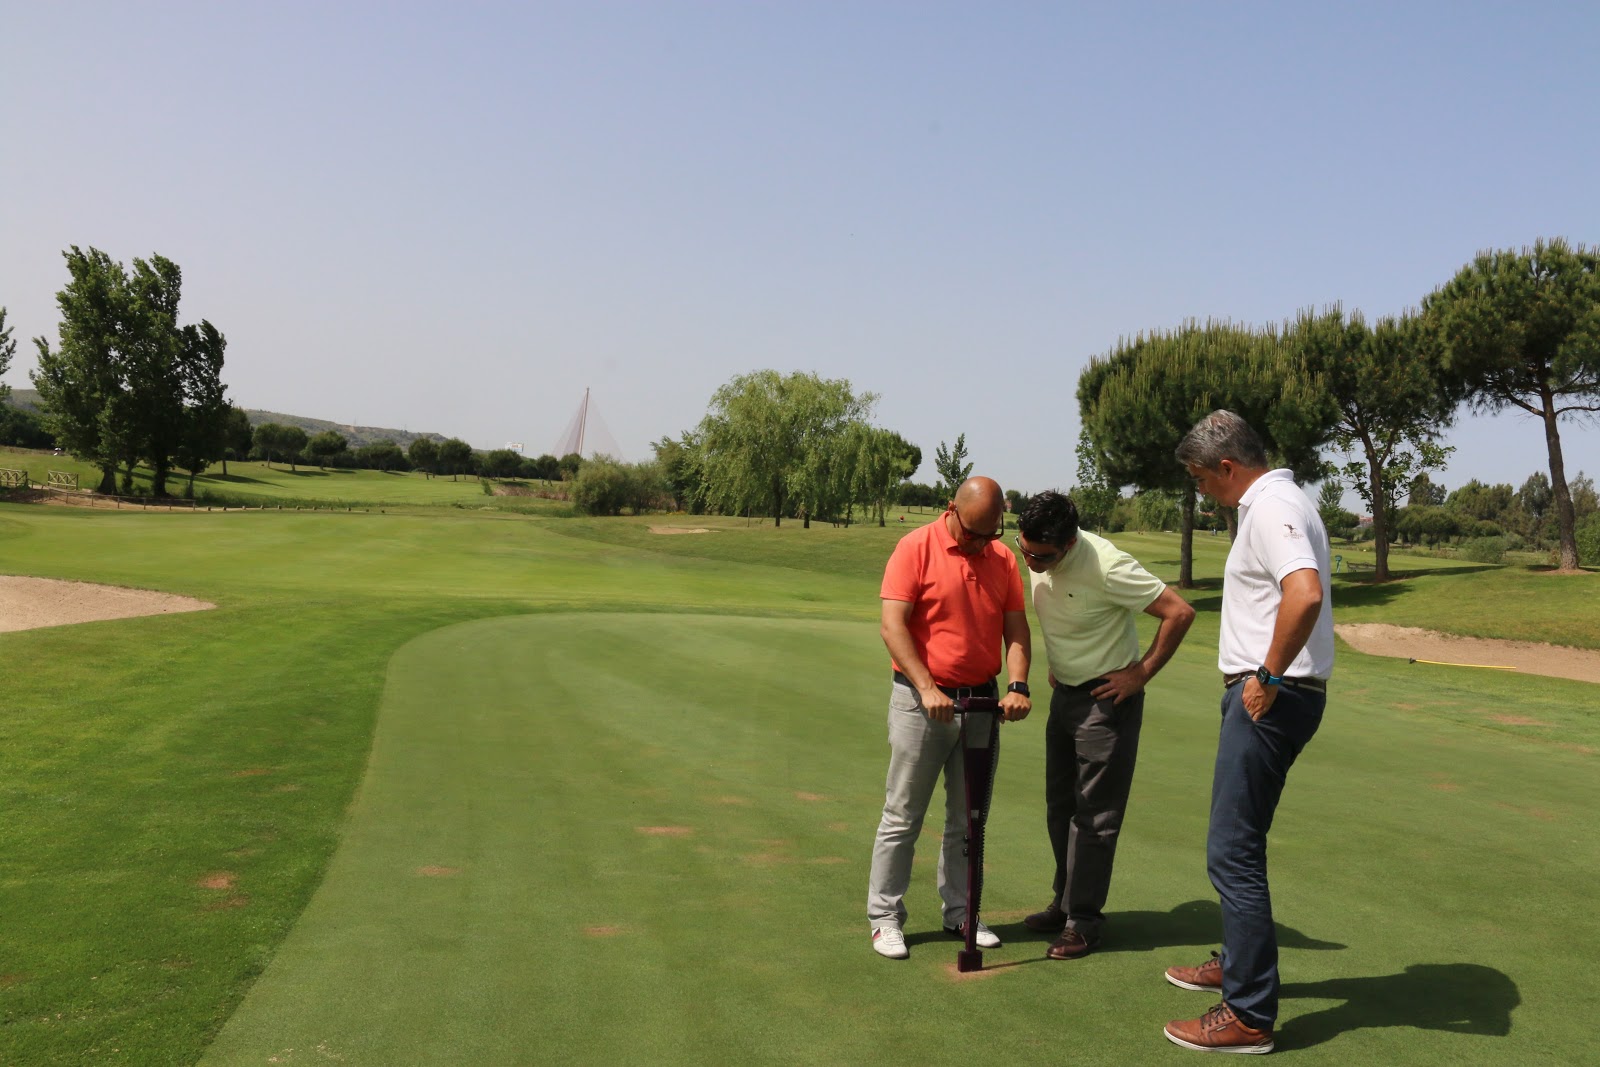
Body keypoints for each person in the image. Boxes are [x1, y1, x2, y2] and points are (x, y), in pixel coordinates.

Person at [1163, 410, 1334, 1054]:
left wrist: (1265, 675)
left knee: (1231, 851)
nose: (1200, 490)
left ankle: (1249, 1015)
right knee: (1240, 842)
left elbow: (1305, 594)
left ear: (1228, 467)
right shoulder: (1276, 502)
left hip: (1272, 696)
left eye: (1201, 478)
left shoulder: (1271, 506)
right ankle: (1238, 968)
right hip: (1274, 694)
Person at [1013, 491, 1195, 960]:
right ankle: (1066, 902)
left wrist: (1140, 673)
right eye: (1024, 550)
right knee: (1060, 808)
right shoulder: (1039, 557)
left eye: (1043, 556)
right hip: (1065, 696)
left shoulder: (1108, 565)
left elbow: (1179, 612)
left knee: (1094, 816)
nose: (1031, 562)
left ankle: (1085, 922)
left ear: (1070, 543)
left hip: (1104, 702)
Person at [867, 476, 1033, 960]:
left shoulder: (1001, 560)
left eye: (991, 533)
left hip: (982, 703)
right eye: (974, 533)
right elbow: (892, 625)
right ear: (950, 510)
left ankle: (961, 911)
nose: (982, 543)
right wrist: (926, 686)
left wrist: (1018, 686)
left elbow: (1017, 630)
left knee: (969, 820)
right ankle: (884, 918)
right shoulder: (915, 547)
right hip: (922, 702)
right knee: (902, 815)